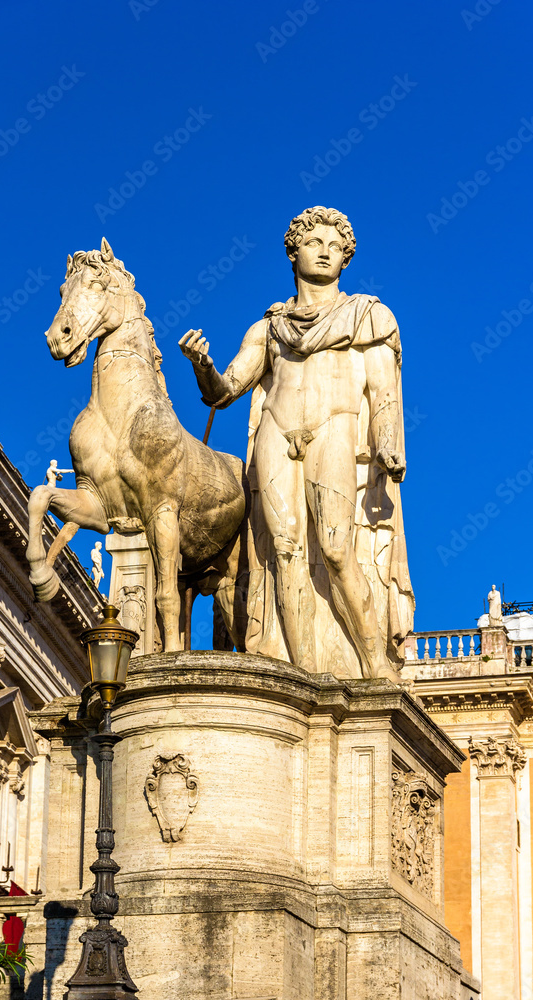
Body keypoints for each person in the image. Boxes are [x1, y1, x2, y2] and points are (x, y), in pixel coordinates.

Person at [179, 206, 413, 679]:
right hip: (275, 430)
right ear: (294, 252)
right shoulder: (268, 328)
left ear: (346, 258)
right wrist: (202, 364)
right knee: (283, 551)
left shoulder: (368, 316)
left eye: (335, 247)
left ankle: (373, 665)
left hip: (336, 429)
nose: (325, 252)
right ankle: (303, 674)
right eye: (314, 243)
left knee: (335, 548)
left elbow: (384, 390)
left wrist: (389, 443)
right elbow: (224, 392)